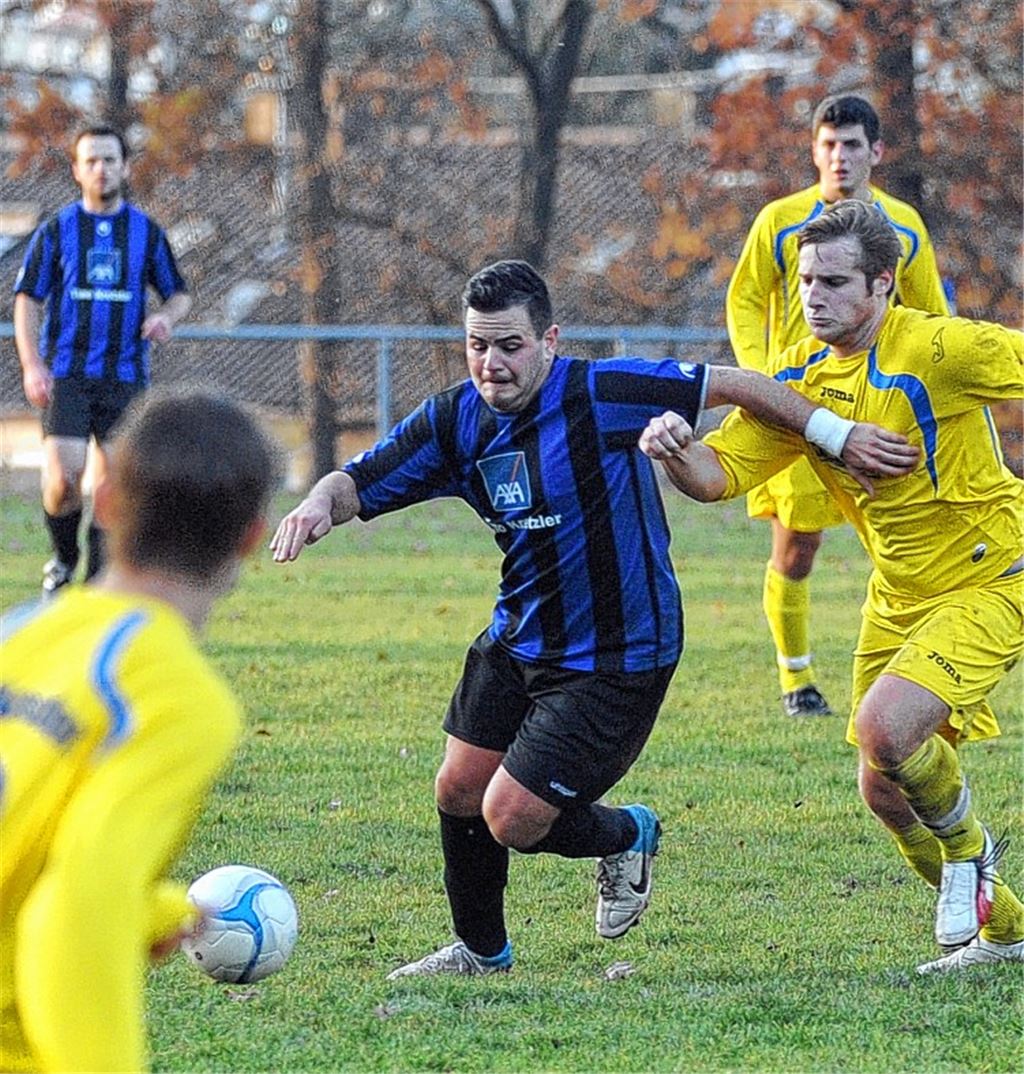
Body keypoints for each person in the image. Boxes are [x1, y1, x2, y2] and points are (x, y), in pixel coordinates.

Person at [270, 258, 910, 979]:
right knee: (457, 788)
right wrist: (318, 505)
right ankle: (481, 955)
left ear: (550, 340)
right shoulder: (455, 420)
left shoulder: (602, 391)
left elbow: (736, 383)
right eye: (478, 345)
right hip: (520, 637)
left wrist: (836, 434)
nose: (492, 363)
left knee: (510, 817)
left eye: (510, 345)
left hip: (619, 653)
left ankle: (627, 833)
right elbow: (356, 478)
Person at [640, 200, 1023, 974]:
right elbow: (716, 478)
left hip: (993, 574)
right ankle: (1009, 931)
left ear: (883, 285)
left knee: (887, 732)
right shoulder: (802, 384)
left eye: (835, 281)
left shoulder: (939, 346)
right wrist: (674, 449)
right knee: (882, 790)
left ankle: (967, 855)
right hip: (898, 594)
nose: (814, 295)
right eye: (806, 279)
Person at [0, 389, 281, 1071]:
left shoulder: (22, 630)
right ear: (251, 536)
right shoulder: (177, 699)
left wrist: (150, 909)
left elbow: (41, 842)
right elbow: (72, 909)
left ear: (104, 503)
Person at [725, 94, 950, 718]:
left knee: (900, 544)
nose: (839, 156)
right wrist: (762, 378)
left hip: (878, 411)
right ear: (813, 150)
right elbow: (744, 299)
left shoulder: (903, 226)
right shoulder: (780, 220)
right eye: (828, 144)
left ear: (876, 152)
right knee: (797, 548)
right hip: (800, 411)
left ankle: (913, 677)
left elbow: (931, 313)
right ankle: (795, 678)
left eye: (852, 144)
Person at [13, 123, 192, 597]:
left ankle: (96, 582)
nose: (101, 168)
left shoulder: (146, 232)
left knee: (113, 490)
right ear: (76, 170)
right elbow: (27, 299)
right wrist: (32, 364)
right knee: (64, 480)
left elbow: (178, 294)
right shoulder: (56, 231)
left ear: (125, 167)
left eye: (110, 159)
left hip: (126, 377)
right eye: (91, 160)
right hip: (68, 375)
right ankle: (63, 559)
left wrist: (165, 318)